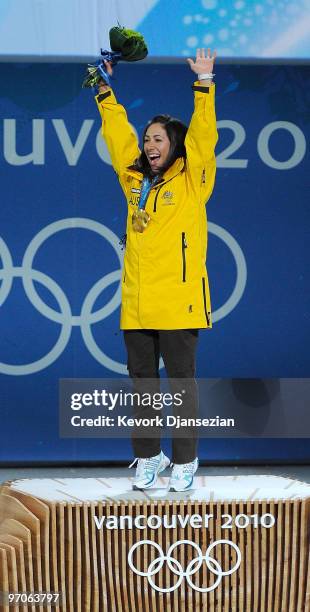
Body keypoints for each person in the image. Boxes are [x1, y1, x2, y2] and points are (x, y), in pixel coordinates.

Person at [95, 48, 218, 491]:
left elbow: (204, 138)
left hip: (179, 302)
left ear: (175, 145)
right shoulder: (134, 180)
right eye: (147, 139)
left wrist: (204, 84)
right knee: (142, 386)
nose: (148, 145)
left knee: (181, 386)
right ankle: (148, 456)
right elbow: (117, 138)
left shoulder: (192, 181)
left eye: (158, 139)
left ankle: (186, 461)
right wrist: (104, 91)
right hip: (138, 303)